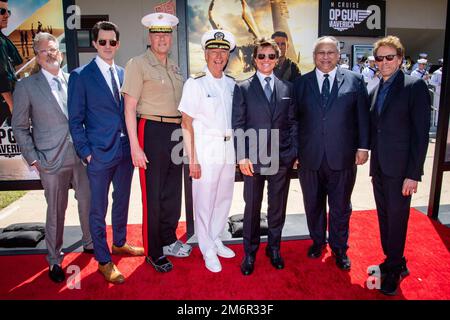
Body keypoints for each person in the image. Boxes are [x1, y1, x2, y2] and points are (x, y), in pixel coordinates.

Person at [11, 32, 93, 283]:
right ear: (37, 55)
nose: (51, 53)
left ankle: (90, 243)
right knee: (56, 211)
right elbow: (19, 126)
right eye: (45, 50)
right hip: (50, 159)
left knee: (89, 203)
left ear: (60, 51)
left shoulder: (73, 80)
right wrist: (34, 159)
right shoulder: (27, 86)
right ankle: (55, 260)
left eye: (54, 49)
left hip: (79, 155)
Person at [68, 21, 143, 284]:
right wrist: (86, 152)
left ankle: (120, 243)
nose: (108, 46)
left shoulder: (125, 73)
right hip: (98, 154)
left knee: (123, 200)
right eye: (103, 42)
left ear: (118, 44)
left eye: (112, 42)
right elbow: (75, 120)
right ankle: (103, 259)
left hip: (124, 150)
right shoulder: (80, 76)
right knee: (98, 208)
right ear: (94, 44)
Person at [122, 12, 191, 273]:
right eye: (157, 34)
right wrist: (134, 146)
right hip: (150, 130)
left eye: (166, 34)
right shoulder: (137, 64)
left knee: (172, 194)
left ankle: (169, 240)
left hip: (175, 132)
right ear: (149, 37)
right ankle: (153, 251)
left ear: (171, 38)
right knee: (153, 195)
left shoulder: (174, 66)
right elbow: (129, 108)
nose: (162, 38)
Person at [294, 36, 370, 271]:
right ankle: (318, 241)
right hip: (310, 157)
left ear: (338, 55)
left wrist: (363, 147)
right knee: (313, 204)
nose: (325, 57)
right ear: (314, 55)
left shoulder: (355, 80)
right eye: (320, 53)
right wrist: (295, 152)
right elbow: (294, 121)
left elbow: (363, 117)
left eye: (330, 52)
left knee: (340, 206)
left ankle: (339, 247)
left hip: (343, 156)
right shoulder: (300, 83)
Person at [368, 36, 430, 296]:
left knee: (397, 218)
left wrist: (413, 174)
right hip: (379, 168)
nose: (384, 62)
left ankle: (394, 268)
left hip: (401, 170)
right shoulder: (374, 88)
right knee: (384, 217)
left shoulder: (414, 87)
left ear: (401, 59)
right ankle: (394, 260)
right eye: (379, 58)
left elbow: (421, 134)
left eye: (389, 57)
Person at [232, 38, 297, 276]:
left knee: (277, 208)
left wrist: (292, 153)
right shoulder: (243, 87)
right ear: (255, 59)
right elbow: (238, 125)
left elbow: (293, 123)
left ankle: (274, 248)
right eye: (262, 56)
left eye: (271, 56)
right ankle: (249, 252)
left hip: (281, 160)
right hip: (253, 161)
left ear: (277, 60)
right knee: (252, 208)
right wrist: (242, 157)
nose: (266, 60)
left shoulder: (287, 88)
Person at [179, 29, 236, 273]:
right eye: (214, 51)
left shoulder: (232, 83)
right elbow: (186, 123)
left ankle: (214, 238)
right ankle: (206, 249)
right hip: (206, 148)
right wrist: (193, 158)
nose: (219, 56)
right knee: (204, 201)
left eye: (223, 51)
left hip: (229, 147)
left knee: (223, 199)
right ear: (205, 54)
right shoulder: (195, 83)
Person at [0, 0, 22, 126]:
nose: (6, 15)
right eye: (1, 11)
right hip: (4, 104)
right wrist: (12, 105)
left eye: (8, 11)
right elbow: (1, 76)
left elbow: (17, 62)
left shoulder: (2, 38)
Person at [430, 58, 443, 125]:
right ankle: (437, 122)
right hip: (438, 92)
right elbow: (431, 82)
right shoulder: (437, 72)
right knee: (438, 107)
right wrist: (439, 84)